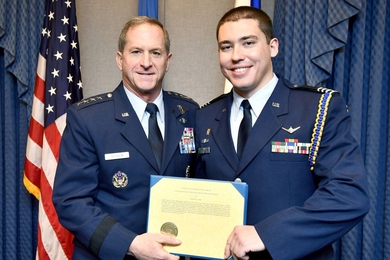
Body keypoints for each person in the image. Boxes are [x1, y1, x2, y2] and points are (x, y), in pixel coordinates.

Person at [195, 6, 369, 260]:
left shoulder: (317, 108)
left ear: (273, 46)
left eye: (248, 43)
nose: (236, 56)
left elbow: (349, 195)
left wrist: (267, 234)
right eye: (226, 47)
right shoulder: (205, 116)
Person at [53, 16, 198, 260]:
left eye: (156, 53)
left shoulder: (189, 113)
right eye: (136, 52)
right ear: (120, 59)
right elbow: (70, 201)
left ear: (168, 60)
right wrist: (130, 244)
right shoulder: (88, 118)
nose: (146, 63)